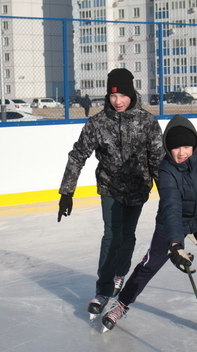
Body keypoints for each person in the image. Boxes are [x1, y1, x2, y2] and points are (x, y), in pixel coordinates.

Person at [101, 114, 197, 339]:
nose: (181, 153)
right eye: (176, 148)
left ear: (194, 144)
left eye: (186, 146)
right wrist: (176, 244)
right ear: (168, 148)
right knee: (150, 264)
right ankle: (122, 304)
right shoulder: (166, 169)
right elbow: (172, 208)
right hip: (172, 221)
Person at [57, 68, 163, 320]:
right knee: (111, 235)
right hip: (110, 188)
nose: (118, 101)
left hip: (138, 189)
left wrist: (169, 195)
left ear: (131, 94)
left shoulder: (147, 122)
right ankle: (103, 290)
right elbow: (78, 155)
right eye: (113, 96)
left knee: (127, 236)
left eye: (123, 96)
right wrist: (67, 192)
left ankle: (120, 274)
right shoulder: (98, 123)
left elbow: (158, 161)